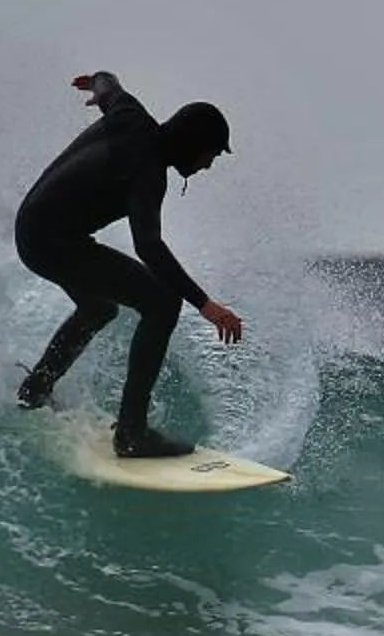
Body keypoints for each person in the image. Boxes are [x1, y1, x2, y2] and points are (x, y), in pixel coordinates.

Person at [13, 69, 244, 458]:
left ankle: (35, 390)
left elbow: (110, 85)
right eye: (210, 155)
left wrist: (97, 83)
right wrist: (206, 305)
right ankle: (132, 433)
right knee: (162, 303)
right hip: (53, 242)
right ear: (193, 143)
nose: (207, 167)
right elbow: (149, 247)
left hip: (32, 229)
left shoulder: (131, 114)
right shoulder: (148, 172)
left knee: (99, 307)